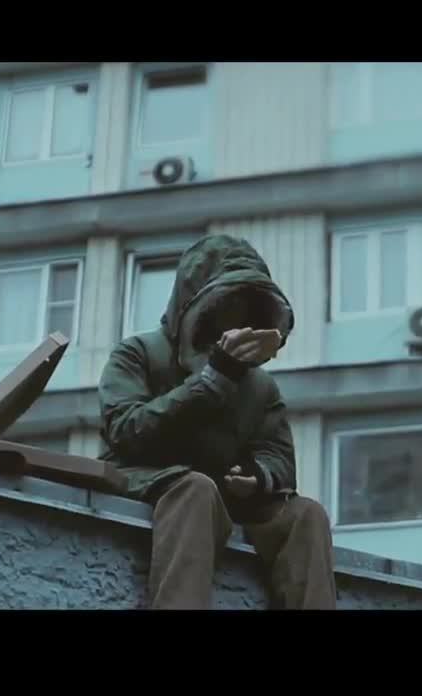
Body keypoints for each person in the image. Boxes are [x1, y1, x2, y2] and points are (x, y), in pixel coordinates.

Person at [97, 235, 338, 610]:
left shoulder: (259, 386)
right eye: (226, 304)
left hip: (223, 497)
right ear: (196, 305)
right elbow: (125, 430)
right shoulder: (138, 352)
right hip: (144, 479)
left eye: (246, 307)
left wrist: (256, 477)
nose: (236, 318)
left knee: (306, 514)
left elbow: (278, 457)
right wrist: (212, 380)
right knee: (195, 488)